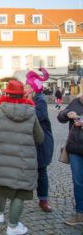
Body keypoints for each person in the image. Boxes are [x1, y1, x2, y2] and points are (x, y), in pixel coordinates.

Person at [0, 79, 44, 235]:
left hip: (2, 159)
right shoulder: (31, 112)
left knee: (1, 183)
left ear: (6, 94)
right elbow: (40, 138)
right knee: (20, 192)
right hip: (24, 162)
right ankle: (13, 226)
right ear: (23, 95)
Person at [24, 68, 54, 213]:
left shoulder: (40, 100)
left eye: (27, 85)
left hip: (41, 142)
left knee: (41, 170)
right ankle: (21, 196)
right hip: (31, 140)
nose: (25, 87)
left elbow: (38, 116)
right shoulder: (30, 99)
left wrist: (25, 108)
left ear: (33, 88)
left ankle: (43, 200)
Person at [57, 85, 83, 226]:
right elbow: (60, 116)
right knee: (78, 183)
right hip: (75, 149)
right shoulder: (75, 102)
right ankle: (80, 214)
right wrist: (67, 114)